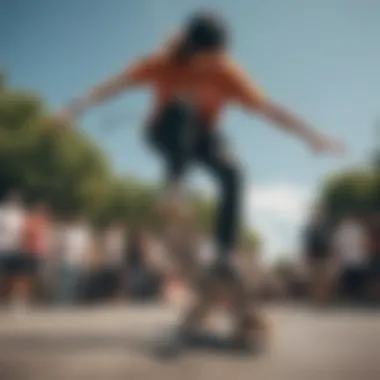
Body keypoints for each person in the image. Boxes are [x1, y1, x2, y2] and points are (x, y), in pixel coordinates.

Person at [52, 11, 344, 345]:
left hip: (204, 137)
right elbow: (113, 85)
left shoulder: (227, 71)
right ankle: (174, 186)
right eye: (208, 58)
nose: (214, 65)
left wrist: (311, 135)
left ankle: (224, 252)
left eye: (218, 57)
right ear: (191, 48)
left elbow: (270, 110)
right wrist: (74, 107)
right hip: (163, 131)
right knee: (184, 108)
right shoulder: (161, 62)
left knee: (234, 171)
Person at [334, 214, 367, 301]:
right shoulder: (359, 228)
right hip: (355, 262)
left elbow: (337, 246)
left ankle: (350, 295)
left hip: (350, 262)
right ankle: (355, 295)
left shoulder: (342, 229)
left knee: (351, 279)